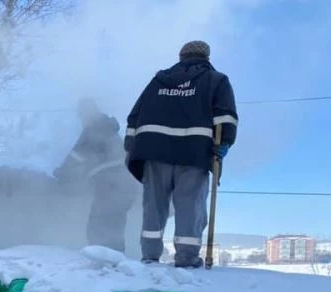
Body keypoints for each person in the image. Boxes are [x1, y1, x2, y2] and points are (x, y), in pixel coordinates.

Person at [124, 40, 238, 268]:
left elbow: (134, 117)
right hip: (193, 153)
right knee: (190, 205)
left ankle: (149, 256)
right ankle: (186, 258)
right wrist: (224, 143)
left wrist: (131, 145)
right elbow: (225, 117)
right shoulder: (216, 80)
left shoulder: (158, 80)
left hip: (154, 152)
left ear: (181, 56)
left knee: (153, 205)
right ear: (206, 57)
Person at [55, 98, 140, 253]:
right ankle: (115, 260)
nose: (80, 119)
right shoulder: (110, 129)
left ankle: (99, 260)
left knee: (97, 224)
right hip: (127, 185)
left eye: (81, 115)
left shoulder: (93, 128)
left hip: (109, 184)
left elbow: (76, 156)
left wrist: (61, 174)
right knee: (116, 224)